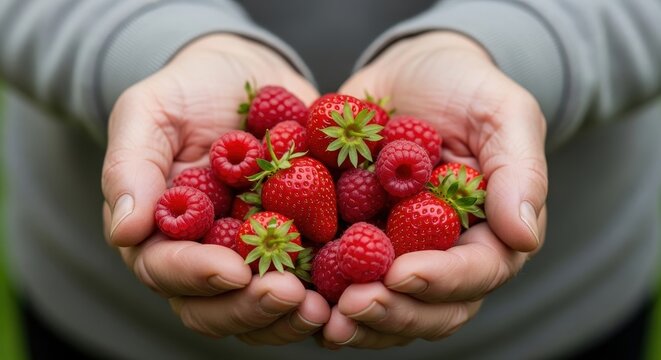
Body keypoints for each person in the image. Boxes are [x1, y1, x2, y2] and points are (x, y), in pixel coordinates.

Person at [1, 0, 659, 359]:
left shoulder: (354, 183)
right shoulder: (299, 181)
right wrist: (146, 41)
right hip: (118, 323)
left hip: (550, 316)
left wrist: (515, 45)